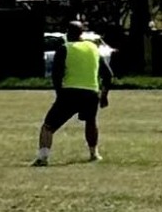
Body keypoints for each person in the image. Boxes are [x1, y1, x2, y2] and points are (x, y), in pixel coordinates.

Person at [33, 21, 111, 166]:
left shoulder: (65, 48)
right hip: (91, 92)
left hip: (70, 92)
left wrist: (59, 93)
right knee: (91, 122)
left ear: (68, 34)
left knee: (48, 126)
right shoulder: (93, 48)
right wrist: (104, 95)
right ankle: (94, 154)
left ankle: (43, 158)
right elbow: (108, 75)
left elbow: (56, 75)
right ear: (82, 33)